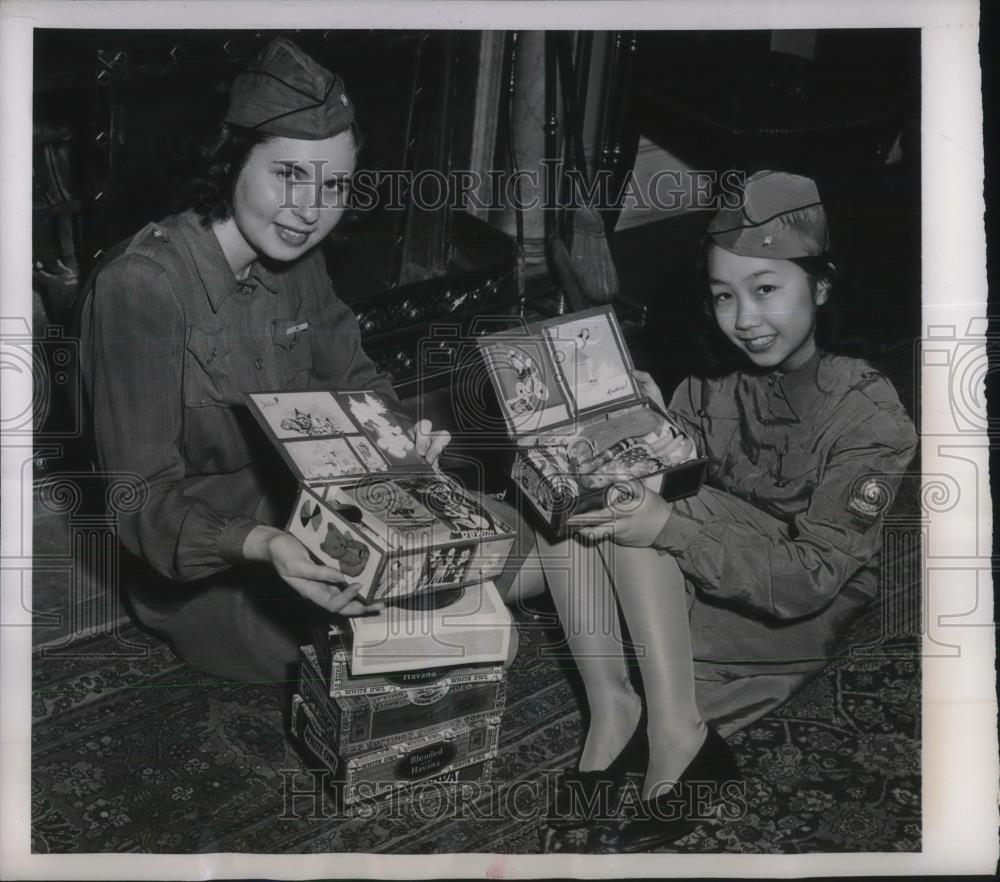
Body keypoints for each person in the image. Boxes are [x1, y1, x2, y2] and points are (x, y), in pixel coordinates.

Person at [77, 38, 488, 683]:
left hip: (300, 495)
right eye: (289, 174)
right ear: (231, 159)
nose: (311, 209)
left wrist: (400, 441)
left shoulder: (298, 253)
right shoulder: (144, 285)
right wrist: (268, 544)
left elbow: (353, 380)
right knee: (361, 639)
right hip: (201, 550)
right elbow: (139, 503)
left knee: (471, 561)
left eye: (336, 185)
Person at [542, 170, 918, 850]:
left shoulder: (870, 415)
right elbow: (682, 478)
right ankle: (613, 709)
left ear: (821, 286)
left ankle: (678, 733)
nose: (743, 318)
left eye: (766, 289)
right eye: (724, 296)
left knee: (638, 519)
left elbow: (810, 576)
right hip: (704, 561)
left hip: (797, 600)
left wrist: (668, 526)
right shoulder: (710, 382)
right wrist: (639, 427)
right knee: (579, 489)